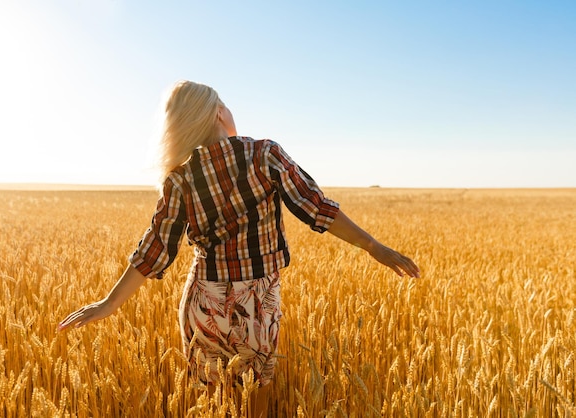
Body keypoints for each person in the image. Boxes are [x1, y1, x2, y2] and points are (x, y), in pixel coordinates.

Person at [58, 80, 420, 417]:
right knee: (254, 402)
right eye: (226, 105)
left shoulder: (179, 178)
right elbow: (315, 208)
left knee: (210, 403)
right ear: (217, 112)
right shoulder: (264, 154)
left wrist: (109, 304)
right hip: (257, 303)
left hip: (203, 302)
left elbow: (156, 249)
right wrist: (372, 246)